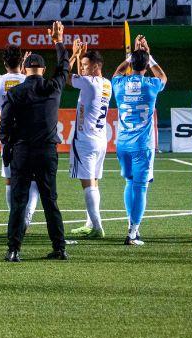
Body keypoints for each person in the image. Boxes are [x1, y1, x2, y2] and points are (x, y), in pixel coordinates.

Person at [0, 21, 71, 262]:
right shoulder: (53, 88)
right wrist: (58, 41)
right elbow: (63, 67)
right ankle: (59, 248)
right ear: (42, 68)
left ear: (25, 68)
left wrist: (8, 143)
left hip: (22, 151)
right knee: (50, 201)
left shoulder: (15, 92)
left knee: (19, 201)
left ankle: (13, 250)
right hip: (47, 151)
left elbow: (4, 125)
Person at [112, 36, 167, 246]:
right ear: (145, 66)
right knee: (141, 187)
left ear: (131, 64)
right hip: (142, 145)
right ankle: (133, 232)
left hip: (123, 143)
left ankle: (132, 224)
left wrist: (131, 56)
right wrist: (149, 56)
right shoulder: (151, 84)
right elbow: (163, 77)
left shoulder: (119, 83)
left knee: (129, 182)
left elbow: (116, 72)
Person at [68, 40, 112, 239]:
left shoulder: (88, 82)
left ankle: (97, 226)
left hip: (85, 141)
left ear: (96, 67)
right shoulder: (106, 83)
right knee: (94, 182)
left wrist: (74, 54)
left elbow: (65, 78)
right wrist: (81, 58)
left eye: (86, 66)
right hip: (100, 140)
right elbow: (82, 79)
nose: (83, 69)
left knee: (88, 184)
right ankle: (89, 223)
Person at [0, 46, 39, 231]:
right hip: (29, 134)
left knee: (10, 179)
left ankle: (15, 218)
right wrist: (28, 70)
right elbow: (35, 83)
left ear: (4, 63)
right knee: (33, 178)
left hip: (9, 135)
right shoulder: (28, 80)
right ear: (22, 62)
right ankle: (27, 215)